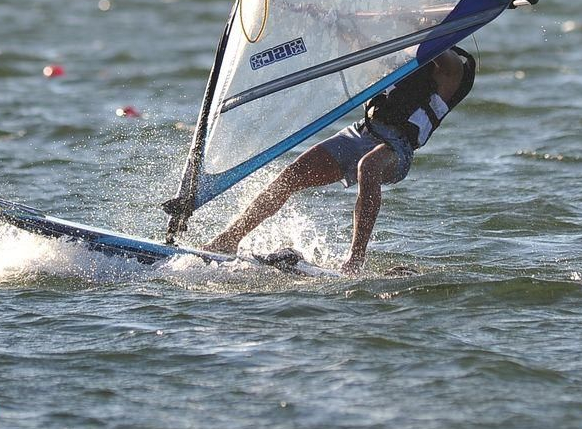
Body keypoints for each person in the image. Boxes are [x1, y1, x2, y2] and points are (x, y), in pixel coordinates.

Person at [205, 47, 478, 273]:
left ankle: (354, 262)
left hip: (396, 148)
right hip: (360, 133)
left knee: (368, 167)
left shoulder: (452, 70)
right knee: (291, 175)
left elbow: (434, 45)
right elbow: (358, 35)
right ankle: (228, 239)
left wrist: (420, 21)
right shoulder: (403, 54)